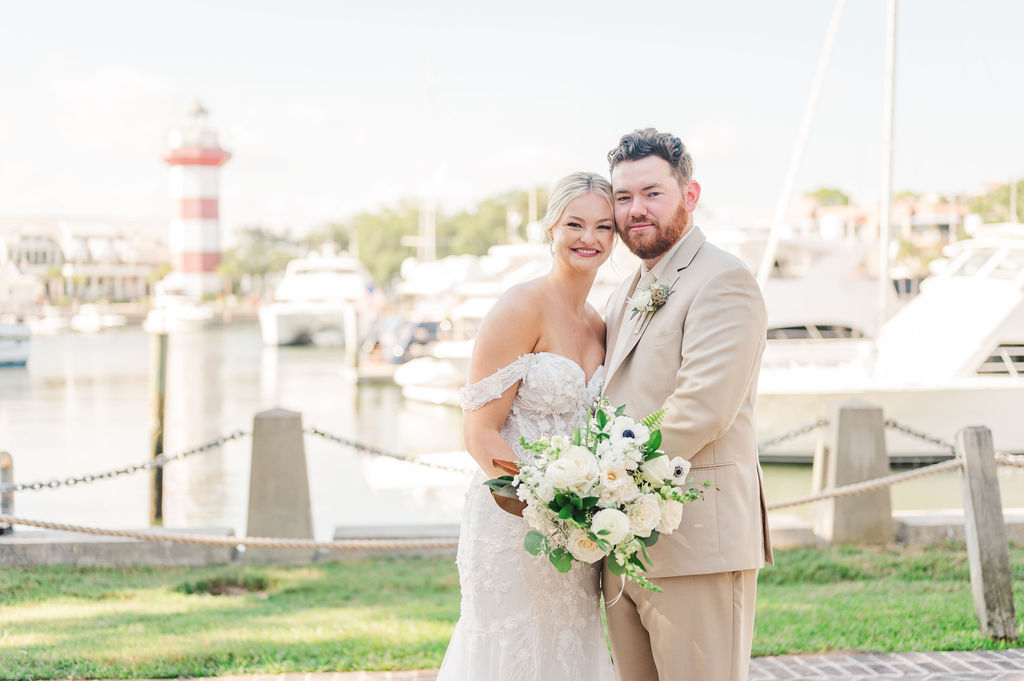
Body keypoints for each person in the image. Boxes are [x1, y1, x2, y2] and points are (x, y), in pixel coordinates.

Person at [601, 128, 773, 681]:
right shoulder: (624, 291)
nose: (635, 210)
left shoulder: (723, 279)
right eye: (623, 198)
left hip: (698, 539)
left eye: (652, 193)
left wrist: (599, 483)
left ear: (689, 195)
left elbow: (702, 407)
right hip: (622, 543)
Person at [436, 172, 618, 681]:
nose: (589, 238)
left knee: (568, 648)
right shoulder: (520, 306)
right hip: (513, 519)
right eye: (575, 224)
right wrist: (547, 501)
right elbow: (479, 432)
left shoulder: (599, 323)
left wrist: (579, 513)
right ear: (550, 229)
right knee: (511, 651)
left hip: (575, 530)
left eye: (603, 226)